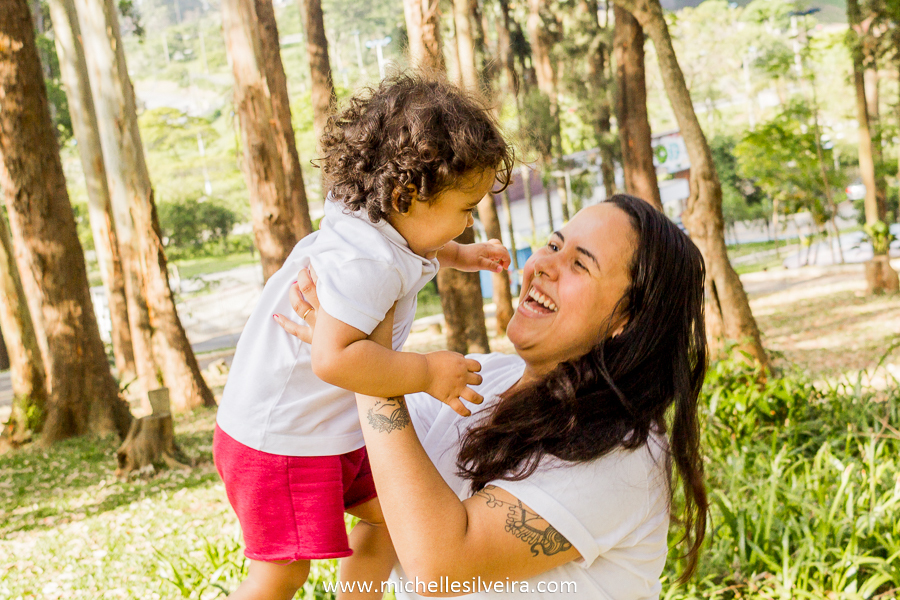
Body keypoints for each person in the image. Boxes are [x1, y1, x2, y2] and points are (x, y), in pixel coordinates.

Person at [279, 195, 710, 599]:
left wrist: (365, 359)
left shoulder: (622, 454)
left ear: (629, 321)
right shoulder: (484, 378)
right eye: (553, 245)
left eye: (579, 264)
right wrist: (342, 342)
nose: (543, 265)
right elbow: (386, 481)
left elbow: (440, 568)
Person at [214, 74, 514, 600]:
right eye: (465, 211)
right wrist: (426, 373)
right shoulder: (363, 260)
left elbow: (410, 243)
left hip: (328, 434)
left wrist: (459, 255)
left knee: (395, 520)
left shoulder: (377, 219)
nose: (467, 225)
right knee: (280, 575)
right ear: (404, 195)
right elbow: (334, 358)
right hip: (282, 443)